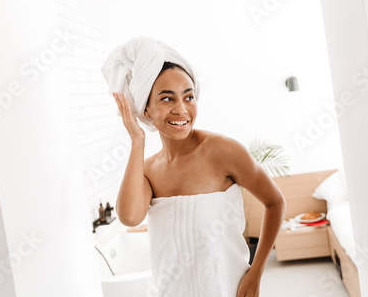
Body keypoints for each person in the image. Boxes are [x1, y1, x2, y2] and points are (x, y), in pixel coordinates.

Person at [104, 37, 286, 297]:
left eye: (188, 97)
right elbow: (129, 217)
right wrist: (137, 141)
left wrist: (255, 273)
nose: (182, 109)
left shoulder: (223, 151)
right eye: (167, 99)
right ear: (146, 109)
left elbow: (275, 202)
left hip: (228, 289)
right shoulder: (147, 170)